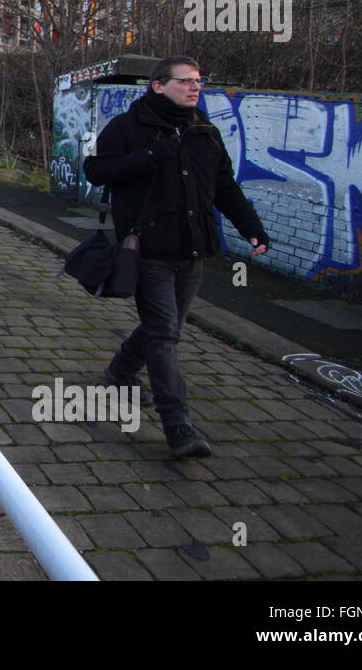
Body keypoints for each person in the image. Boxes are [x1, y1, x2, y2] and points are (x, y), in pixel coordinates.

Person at [82, 56, 269, 459]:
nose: (194, 87)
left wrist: (250, 226)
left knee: (165, 327)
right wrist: (151, 157)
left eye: (198, 81)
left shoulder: (205, 131)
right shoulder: (128, 127)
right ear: (158, 85)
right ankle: (177, 424)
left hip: (194, 249)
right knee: (164, 333)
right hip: (148, 249)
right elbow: (95, 170)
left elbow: (224, 186)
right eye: (185, 81)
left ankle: (120, 371)